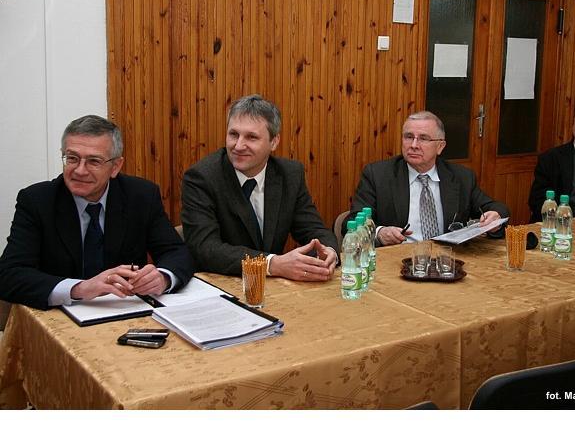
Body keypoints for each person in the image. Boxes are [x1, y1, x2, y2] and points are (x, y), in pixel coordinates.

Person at [0, 115, 193, 310]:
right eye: (72, 158)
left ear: (115, 166)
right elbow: (9, 274)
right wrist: (78, 288)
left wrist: (163, 277)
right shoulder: (37, 201)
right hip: (60, 314)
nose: (80, 170)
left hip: (126, 310)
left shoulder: (141, 196)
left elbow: (175, 251)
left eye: (93, 161)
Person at [181, 94, 338, 281]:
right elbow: (206, 249)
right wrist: (272, 264)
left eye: (251, 137)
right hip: (222, 284)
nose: (239, 145)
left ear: (274, 142)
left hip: (273, 287)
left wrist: (328, 251)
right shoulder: (202, 178)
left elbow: (313, 229)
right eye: (233, 134)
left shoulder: (289, 175)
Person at [346, 111, 509, 246]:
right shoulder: (378, 175)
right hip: (398, 260)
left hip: (447, 260)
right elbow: (353, 221)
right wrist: (380, 233)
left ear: (440, 146)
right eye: (408, 137)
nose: (414, 145)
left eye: (423, 138)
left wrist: (494, 217)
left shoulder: (461, 177)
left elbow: (495, 207)